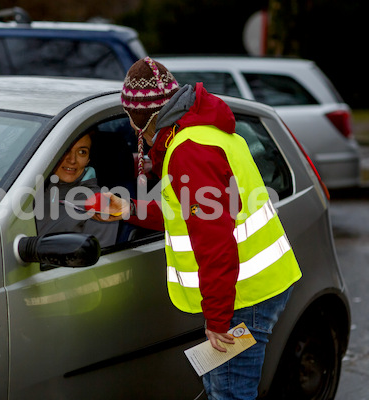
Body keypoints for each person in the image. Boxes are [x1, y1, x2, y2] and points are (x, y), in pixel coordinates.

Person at [111, 57, 303, 400]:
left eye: (131, 119)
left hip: (246, 295)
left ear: (145, 118)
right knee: (221, 387)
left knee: (229, 393)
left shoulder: (189, 151)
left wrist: (217, 319)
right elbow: (186, 214)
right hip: (251, 287)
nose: (131, 128)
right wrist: (129, 209)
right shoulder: (203, 133)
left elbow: (215, 243)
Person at [36, 132, 119, 248]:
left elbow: (98, 261)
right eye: (65, 150)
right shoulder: (33, 188)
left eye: (82, 152)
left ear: (88, 160)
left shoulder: (101, 204)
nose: (72, 160)